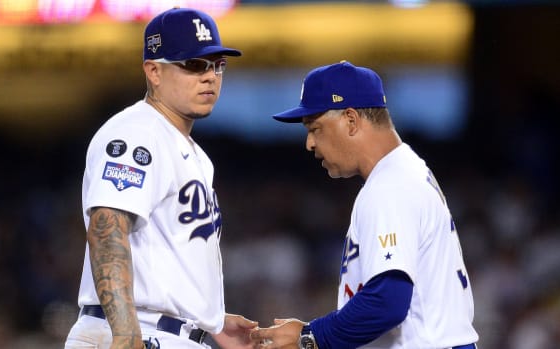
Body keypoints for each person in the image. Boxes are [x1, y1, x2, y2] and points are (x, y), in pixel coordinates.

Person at [65, 7, 257, 349]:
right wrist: (126, 336)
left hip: (162, 332)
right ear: (153, 71)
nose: (210, 76)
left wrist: (209, 320)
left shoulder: (191, 152)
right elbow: (107, 229)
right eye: (194, 65)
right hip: (136, 332)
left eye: (217, 65)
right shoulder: (138, 132)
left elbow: (166, 255)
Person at [249, 61, 479, 349]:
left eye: (316, 128)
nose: (309, 143)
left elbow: (388, 301)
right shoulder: (406, 170)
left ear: (351, 120)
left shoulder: (390, 184)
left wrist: (309, 337)